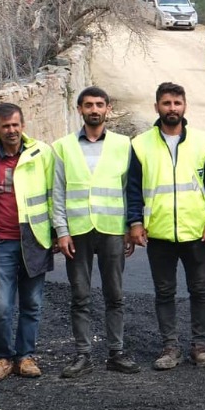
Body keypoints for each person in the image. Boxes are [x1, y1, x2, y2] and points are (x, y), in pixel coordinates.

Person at [126, 83, 205, 370]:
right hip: (158, 232)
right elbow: (133, 188)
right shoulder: (140, 144)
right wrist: (135, 222)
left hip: (195, 231)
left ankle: (200, 345)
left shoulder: (204, 142)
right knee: (164, 292)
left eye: (177, 103)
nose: (172, 108)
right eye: (166, 103)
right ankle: (170, 347)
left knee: (200, 290)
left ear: (185, 106)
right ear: (156, 106)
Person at [51, 87, 136, 378]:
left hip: (112, 229)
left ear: (108, 108)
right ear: (80, 109)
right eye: (89, 105)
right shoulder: (62, 147)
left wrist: (129, 228)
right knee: (80, 296)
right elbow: (57, 192)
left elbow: (129, 190)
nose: (94, 109)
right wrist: (62, 231)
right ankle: (83, 355)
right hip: (77, 231)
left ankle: (116, 353)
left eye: (100, 104)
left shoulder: (124, 145)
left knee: (115, 295)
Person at [0, 103, 54, 381]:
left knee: (32, 303)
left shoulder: (41, 153)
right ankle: (2, 357)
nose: (11, 130)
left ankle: (25, 356)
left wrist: (58, 233)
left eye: (15, 125)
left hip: (34, 239)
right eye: (5, 126)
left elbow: (53, 193)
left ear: (23, 125)